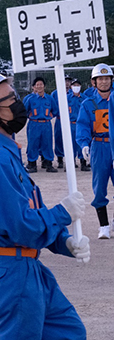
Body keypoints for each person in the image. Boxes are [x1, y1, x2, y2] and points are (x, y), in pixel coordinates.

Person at [0, 69, 88, 340]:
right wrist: (62, 213)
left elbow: (29, 211)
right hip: (13, 273)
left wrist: (63, 242)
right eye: (10, 98)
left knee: (69, 332)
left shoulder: (5, 151)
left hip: (28, 267)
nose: (18, 102)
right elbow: (19, 225)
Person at [78, 63, 114, 239]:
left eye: (107, 78)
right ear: (94, 82)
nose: (104, 82)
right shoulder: (88, 104)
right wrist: (84, 144)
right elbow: (83, 126)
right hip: (99, 146)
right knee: (99, 186)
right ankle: (104, 225)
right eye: (101, 79)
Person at [23, 77, 58, 173]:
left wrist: (49, 117)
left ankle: (48, 164)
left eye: (41, 84)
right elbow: (24, 111)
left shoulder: (49, 99)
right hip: (34, 124)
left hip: (46, 124)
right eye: (37, 85)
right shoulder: (29, 99)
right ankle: (32, 164)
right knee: (33, 143)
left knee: (47, 143)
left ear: (44, 86)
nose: (39, 86)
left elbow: (55, 110)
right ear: (33, 87)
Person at [52, 75, 73, 169]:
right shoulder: (55, 93)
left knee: (72, 140)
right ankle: (60, 159)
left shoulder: (74, 93)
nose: (67, 83)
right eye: (65, 81)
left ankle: (72, 159)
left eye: (69, 81)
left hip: (71, 121)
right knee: (59, 139)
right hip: (60, 120)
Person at [68, 79, 89, 172]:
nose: (76, 87)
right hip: (70, 124)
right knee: (70, 144)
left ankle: (83, 162)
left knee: (81, 142)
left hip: (80, 124)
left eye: (77, 85)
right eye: (74, 85)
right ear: (71, 87)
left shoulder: (85, 98)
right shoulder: (66, 98)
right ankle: (70, 163)